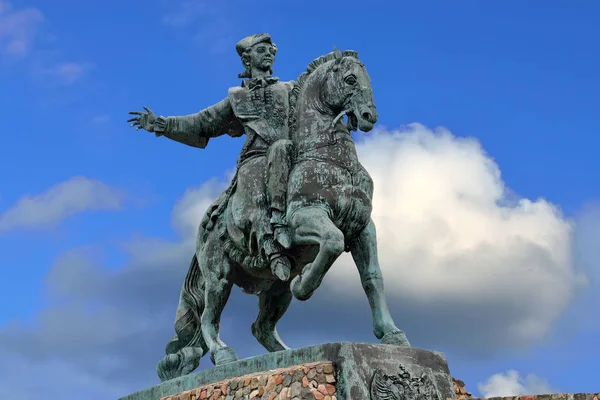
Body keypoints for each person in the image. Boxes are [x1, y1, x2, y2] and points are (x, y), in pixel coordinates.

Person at [128, 33, 295, 281]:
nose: (269, 53)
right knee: (255, 185)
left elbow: (316, 109)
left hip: (290, 154)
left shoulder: (290, 88)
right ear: (247, 59)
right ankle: (270, 242)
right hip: (255, 157)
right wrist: (162, 125)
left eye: (271, 49)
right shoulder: (236, 97)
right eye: (262, 50)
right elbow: (203, 122)